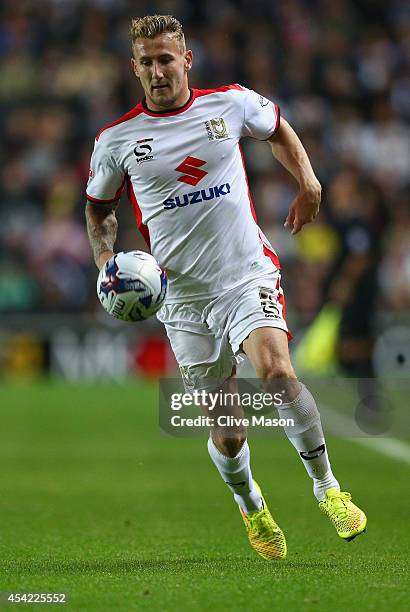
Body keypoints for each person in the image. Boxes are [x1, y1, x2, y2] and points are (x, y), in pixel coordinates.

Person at [85, 14, 367, 561]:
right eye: (146, 62)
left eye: (166, 59)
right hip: (183, 300)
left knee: (280, 374)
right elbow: (99, 212)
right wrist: (106, 264)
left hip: (245, 274)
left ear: (186, 60)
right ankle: (252, 504)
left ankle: (328, 488)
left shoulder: (230, 103)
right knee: (230, 432)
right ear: (134, 68)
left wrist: (307, 181)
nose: (157, 70)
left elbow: (278, 129)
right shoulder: (117, 141)